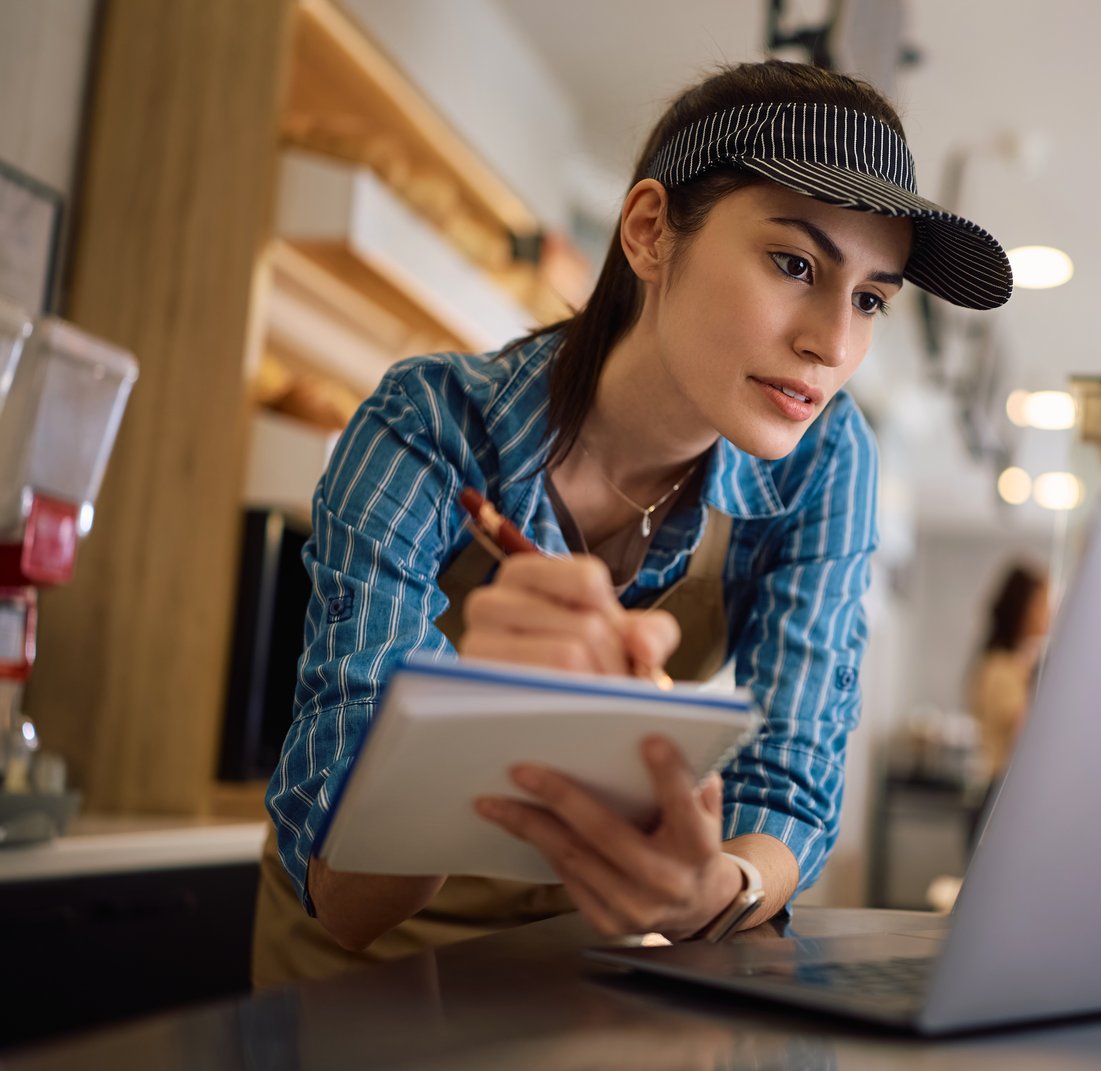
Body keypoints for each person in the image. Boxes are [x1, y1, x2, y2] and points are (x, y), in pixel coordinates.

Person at [252, 59, 1013, 985]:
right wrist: (474, 722)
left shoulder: (825, 460)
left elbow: (793, 780)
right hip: (367, 967)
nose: (835, 344)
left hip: (586, 962)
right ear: (651, 232)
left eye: (869, 298)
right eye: (793, 263)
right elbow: (349, 902)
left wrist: (714, 887)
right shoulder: (428, 429)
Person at [965, 564, 1049, 843]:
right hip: (997, 796)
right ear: (1022, 609)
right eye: (1041, 604)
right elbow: (1028, 734)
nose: (1048, 614)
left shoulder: (1015, 666)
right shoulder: (1001, 669)